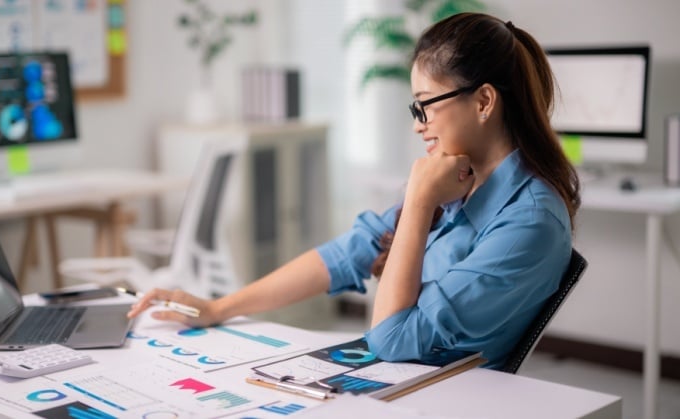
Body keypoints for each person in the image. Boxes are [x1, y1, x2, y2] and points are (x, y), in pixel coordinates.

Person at [128, 12, 581, 370]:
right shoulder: (458, 180)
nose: (417, 124)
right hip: (402, 379)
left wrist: (420, 202)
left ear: (483, 102)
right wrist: (217, 308)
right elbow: (346, 255)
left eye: (425, 105)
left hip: (446, 396)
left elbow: (391, 337)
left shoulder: (530, 219)